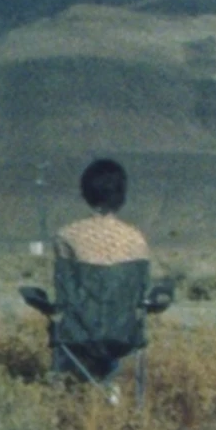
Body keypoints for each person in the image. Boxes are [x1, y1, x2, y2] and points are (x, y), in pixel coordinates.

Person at [49, 158, 150, 389]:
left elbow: (64, 289)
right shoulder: (136, 239)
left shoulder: (67, 237)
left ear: (86, 192)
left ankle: (72, 391)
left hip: (78, 335)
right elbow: (140, 292)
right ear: (121, 194)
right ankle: (111, 388)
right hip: (124, 336)